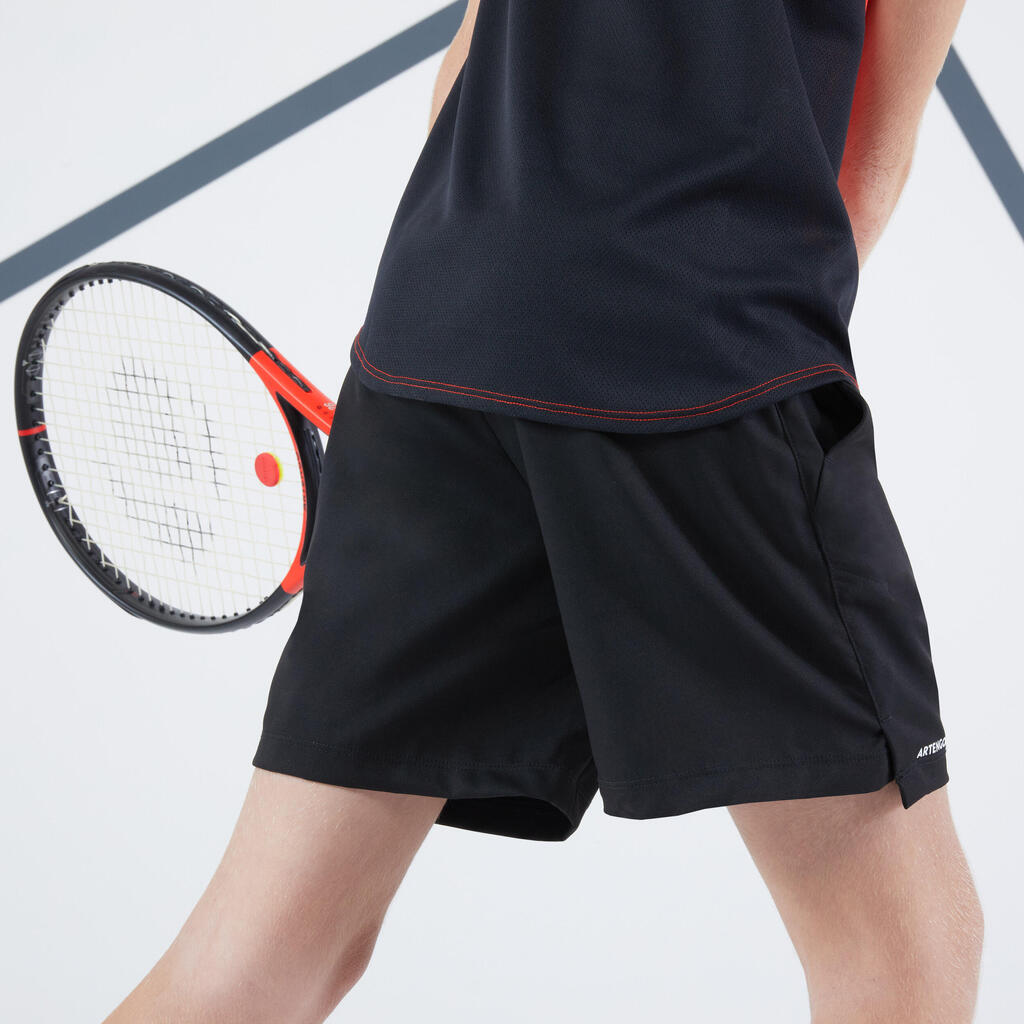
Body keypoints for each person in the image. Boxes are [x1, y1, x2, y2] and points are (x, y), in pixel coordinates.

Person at [105, 1, 983, 1021]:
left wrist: (483, 329)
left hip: (435, 344)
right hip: (703, 365)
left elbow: (468, 63)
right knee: (908, 954)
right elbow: (864, 164)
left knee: (263, 954)